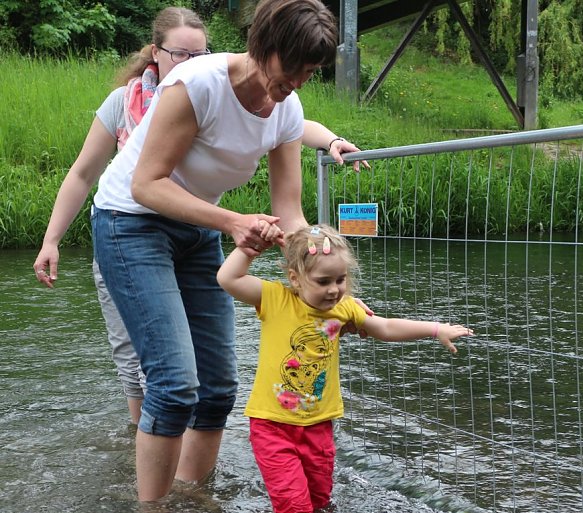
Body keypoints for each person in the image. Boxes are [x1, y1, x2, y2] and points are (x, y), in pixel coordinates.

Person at [32, 5, 366, 427]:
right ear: (157, 52)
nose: (299, 81)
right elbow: (102, 177)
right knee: (164, 379)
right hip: (130, 222)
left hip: (198, 223)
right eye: (179, 53)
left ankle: (191, 489)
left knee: (215, 389)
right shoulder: (180, 88)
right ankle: (145, 469)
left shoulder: (282, 102)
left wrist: (325, 267)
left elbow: (289, 203)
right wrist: (51, 239)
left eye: (310, 72)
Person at [217, 224, 473, 513]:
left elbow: (386, 328)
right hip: (273, 426)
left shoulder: (345, 309)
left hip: (319, 426)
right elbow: (228, 278)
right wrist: (249, 248)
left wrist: (435, 330)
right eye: (323, 281)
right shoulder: (275, 298)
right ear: (295, 278)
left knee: (320, 502)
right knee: (294, 509)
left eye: (340, 280)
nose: (334, 289)